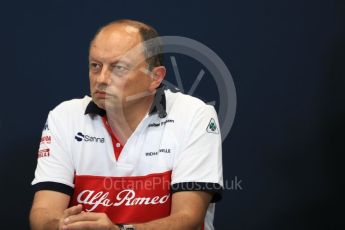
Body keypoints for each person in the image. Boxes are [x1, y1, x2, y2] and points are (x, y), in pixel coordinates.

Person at [30, 19, 223, 230]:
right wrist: (61, 226)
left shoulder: (194, 115)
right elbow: (43, 213)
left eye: (118, 68)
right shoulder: (64, 116)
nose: (101, 79)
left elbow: (189, 219)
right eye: (95, 66)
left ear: (155, 78)